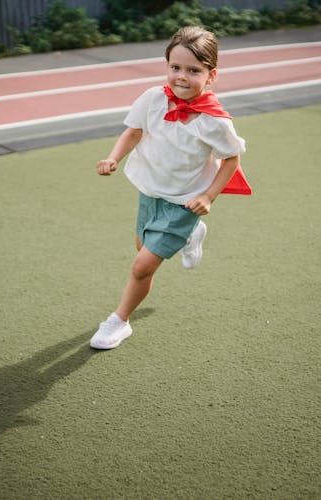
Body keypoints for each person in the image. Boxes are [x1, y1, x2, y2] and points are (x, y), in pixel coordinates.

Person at [90, 26, 246, 350]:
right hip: (151, 191)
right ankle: (191, 235)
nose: (181, 77)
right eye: (175, 67)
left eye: (193, 70)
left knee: (141, 266)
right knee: (141, 247)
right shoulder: (153, 99)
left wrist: (208, 196)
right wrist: (113, 157)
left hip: (185, 202)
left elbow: (231, 159)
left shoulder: (215, 121)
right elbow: (133, 132)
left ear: (211, 75)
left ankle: (119, 321)